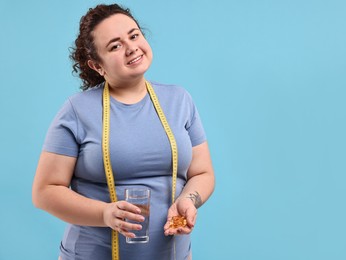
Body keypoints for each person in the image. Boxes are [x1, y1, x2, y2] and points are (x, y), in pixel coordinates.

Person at [32, 3, 215, 260]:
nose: (132, 48)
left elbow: (203, 172)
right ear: (97, 66)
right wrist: (104, 214)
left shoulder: (179, 100)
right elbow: (44, 192)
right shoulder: (77, 110)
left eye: (134, 35)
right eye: (115, 46)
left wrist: (189, 199)